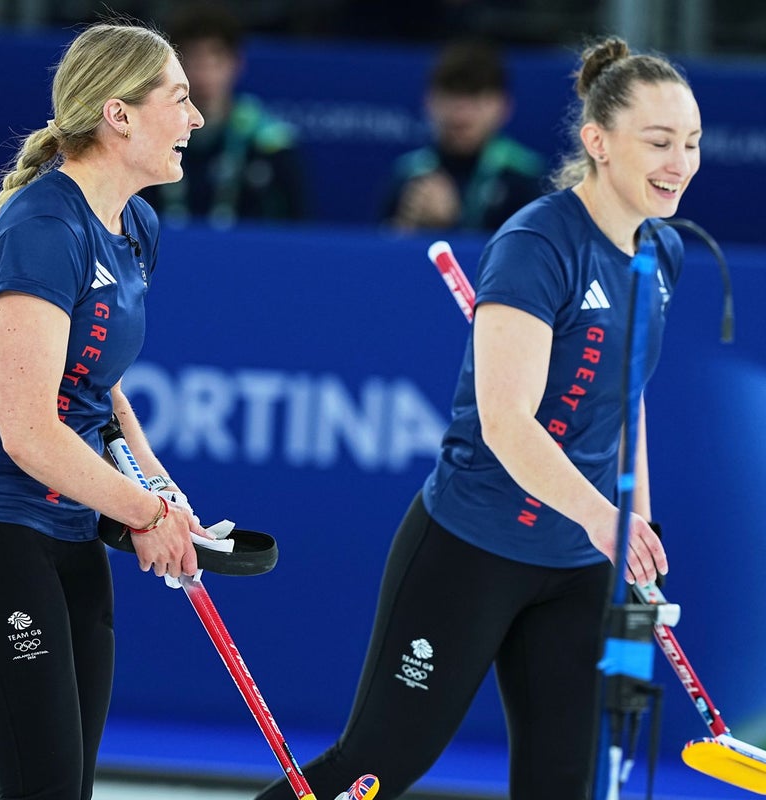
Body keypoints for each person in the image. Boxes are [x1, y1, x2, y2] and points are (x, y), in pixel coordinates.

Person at [256, 35, 700, 800]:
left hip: (579, 566)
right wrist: (607, 520)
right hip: (473, 549)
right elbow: (506, 421)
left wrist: (640, 533)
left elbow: (627, 401)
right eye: (658, 141)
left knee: (564, 784)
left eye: (692, 142)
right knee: (374, 768)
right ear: (597, 142)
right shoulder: (536, 243)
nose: (680, 162)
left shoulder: (662, 254)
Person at [0, 22, 208, 800]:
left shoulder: (134, 225)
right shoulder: (44, 228)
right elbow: (30, 427)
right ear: (119, 115)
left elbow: (94, 390)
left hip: (66, 527)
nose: (196, 117)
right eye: (179, 97)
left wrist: (162, 492)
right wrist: (142, 513)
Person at [141, 3, 309, 226]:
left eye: (215, 60)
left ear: (236, 64)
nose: (204, 74)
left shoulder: (269, 142)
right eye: (193, 60)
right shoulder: (145, 137)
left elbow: (297, 228)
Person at [381, 37, 546, 233]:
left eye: (476, 97)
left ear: (503, 106)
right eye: (451, 95)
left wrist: (452, 224)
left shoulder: (526, 176)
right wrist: (404, 228)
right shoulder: (408, 173)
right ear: (428, 102)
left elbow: (531, 257)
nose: (462, 113)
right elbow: (382, 252)